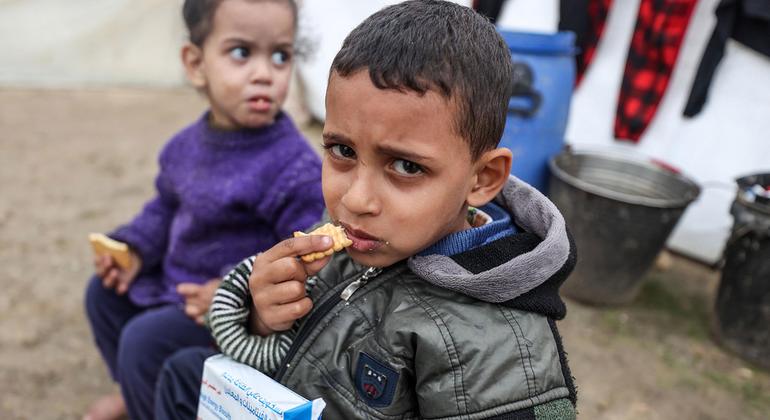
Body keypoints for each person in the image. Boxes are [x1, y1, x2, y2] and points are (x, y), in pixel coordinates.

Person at [155, 1, 578, 418]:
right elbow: (294, 364)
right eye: (342, 150)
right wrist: (266, 319)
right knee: (178, 373)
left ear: (482, 179)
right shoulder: (348, 243)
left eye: (406, 166)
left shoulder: (497, 345)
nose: (356, 199)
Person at [82, 0, 324, 419]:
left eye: (280, 55)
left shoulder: (293, 168)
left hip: (225, 312)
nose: (264, 73)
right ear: (195, 64)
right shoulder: (184, 147)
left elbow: (305, 257)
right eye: (241, 52)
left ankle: (153, 401)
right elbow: (163, 210)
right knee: (103, 295)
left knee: (143, 341)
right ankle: (134, 390)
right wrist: (134, 252)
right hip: (175, 285)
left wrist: (235, 295)